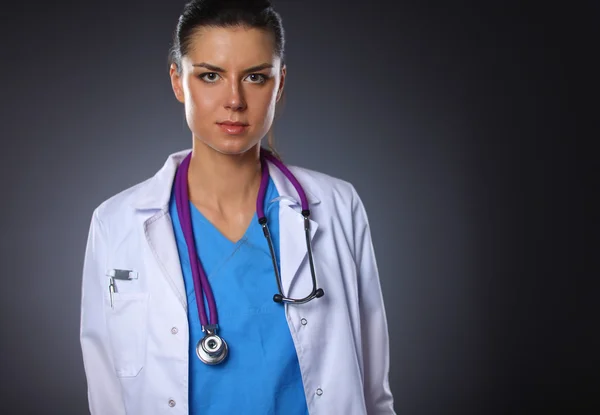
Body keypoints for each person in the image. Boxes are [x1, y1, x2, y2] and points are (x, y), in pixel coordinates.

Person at [79, 0, 394, 413]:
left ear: (280, 83)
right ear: (178, 81)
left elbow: (374, 388)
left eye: (256, 77)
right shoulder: (115, 223)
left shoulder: (337, 207)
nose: (234, 100)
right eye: (210, 75)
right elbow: (107, 391)